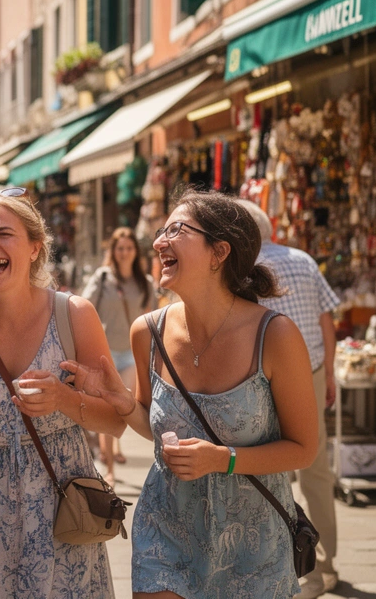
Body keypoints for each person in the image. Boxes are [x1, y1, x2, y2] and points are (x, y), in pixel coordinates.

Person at [66, 189, 319, 598]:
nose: (158, 242)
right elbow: (158, 430)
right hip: (166, 532)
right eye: (161, 230)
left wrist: (222, 459)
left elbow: (304, 448)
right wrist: (123, 401)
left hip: (253, 548)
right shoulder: (147, 332)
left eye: (176, 230)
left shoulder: (275, 336)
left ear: (219, 252)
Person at [0, 188, 117, 597]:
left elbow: (116, 421)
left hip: (62, 512)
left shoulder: (75, 315)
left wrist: (65, 401)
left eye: (4, 233)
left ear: (34, 247)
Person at [241, 199, 341, 599]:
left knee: (269, 464)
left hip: (261, 375)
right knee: (317, 470)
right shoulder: (303, 260)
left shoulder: (241, 268)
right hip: (312, 371)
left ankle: (285, 561)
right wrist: (329, 372)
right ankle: (326, 565)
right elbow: (326, 321)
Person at [80, 227, 157, 474]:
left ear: (136, 251)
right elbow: (84, 307)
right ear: (113, 251)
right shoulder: (102, 278)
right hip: (105, 353)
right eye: (120, 248)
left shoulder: (145, 283)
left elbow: (152, 318)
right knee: (112, 409)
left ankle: (111, 448)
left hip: (131, 355)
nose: (124, 253)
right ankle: (110, 471)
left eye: (129, 248)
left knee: (123, 408)